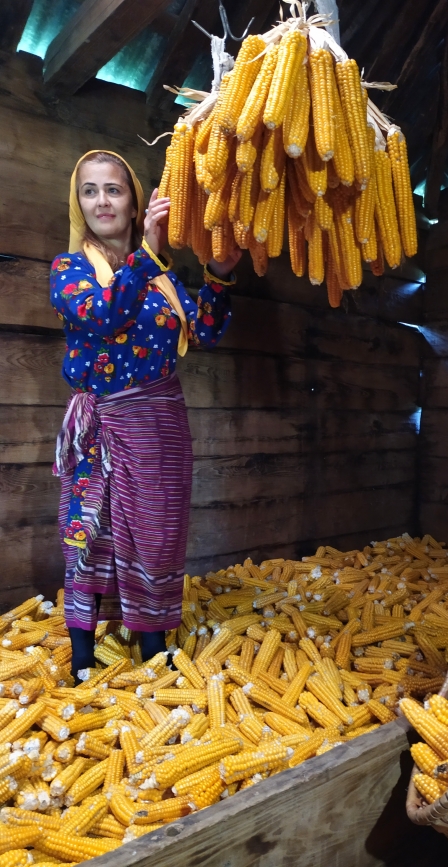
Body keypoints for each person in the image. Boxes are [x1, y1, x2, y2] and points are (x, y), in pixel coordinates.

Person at [50, 149, 241, 681]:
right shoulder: (69, 271)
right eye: (90, 190)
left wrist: (220, 275)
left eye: (114, 189)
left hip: (159, 425)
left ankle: (152, 645)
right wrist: (149, 258)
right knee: (90, 530)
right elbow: (105, 315)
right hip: (102, 422)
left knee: (156, 532)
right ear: (78, 204)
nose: (101, 201)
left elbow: (203, 329)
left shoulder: (161, 278)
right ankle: (84, 651)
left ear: (135, 203)